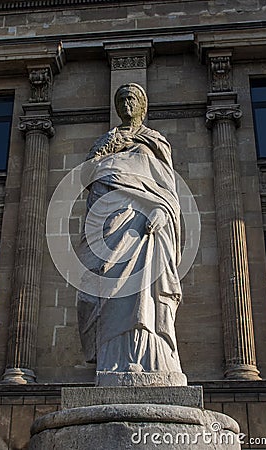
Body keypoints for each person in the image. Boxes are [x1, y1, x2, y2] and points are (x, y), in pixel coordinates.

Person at [77, 83, 184, 378]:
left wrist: (163, 212)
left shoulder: (155, 143)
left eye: (132, 98)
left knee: (143, 295)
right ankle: (112, 362)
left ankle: (152, 360)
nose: (126, 103)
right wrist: (100, 154)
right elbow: (88, 179)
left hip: (145, 230)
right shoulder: (105, 142)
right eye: (121, 99)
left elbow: (167, 192)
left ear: (143, 106)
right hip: (109, 227)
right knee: (106, 294)